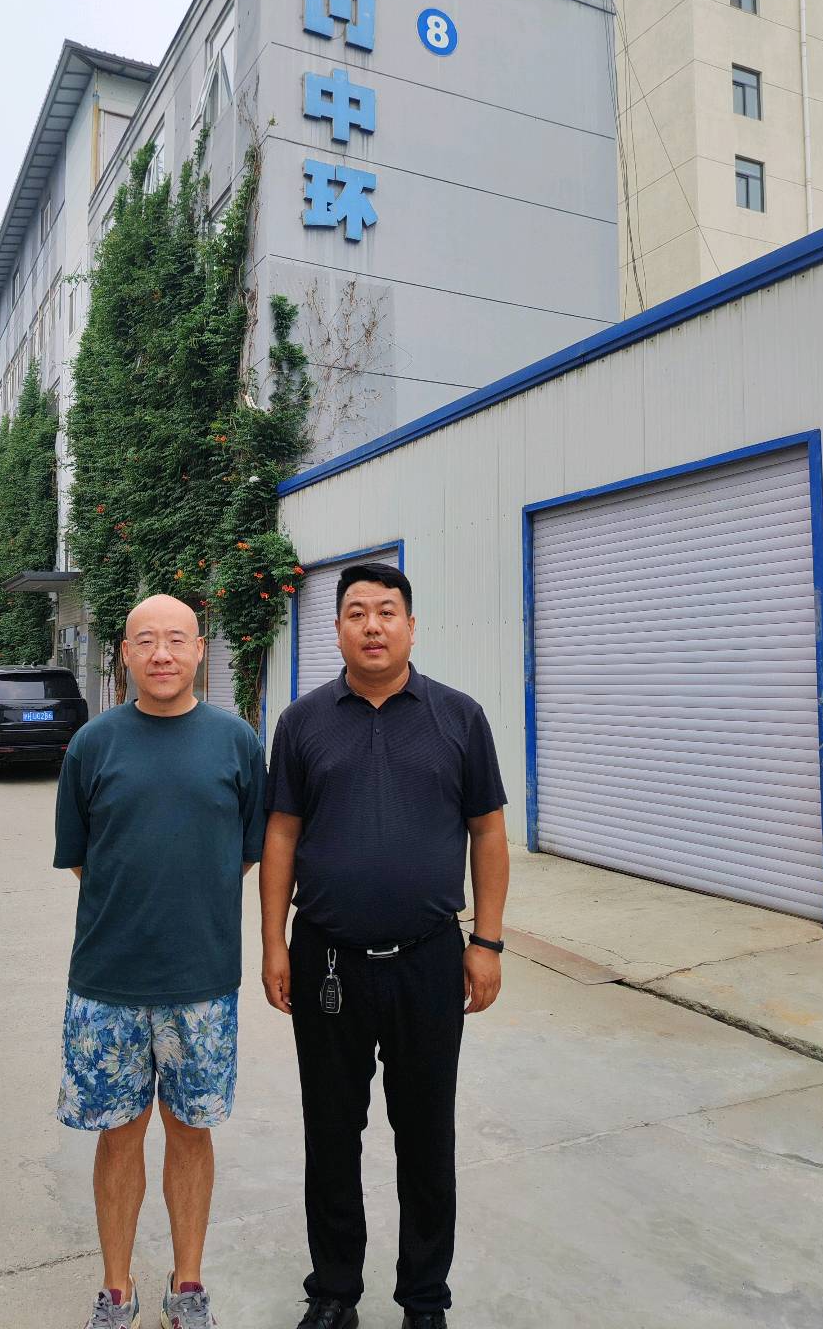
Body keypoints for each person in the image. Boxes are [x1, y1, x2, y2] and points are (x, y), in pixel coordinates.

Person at [261, 563, 509, 1329]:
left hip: (429, 961)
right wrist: (273, 943)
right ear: (337, 629)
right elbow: (281, 835)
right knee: (332, 1133)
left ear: (411, 626)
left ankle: (424, 1301)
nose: (372, 626)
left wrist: (487, 941)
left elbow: (488, 832)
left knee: (427, 1137)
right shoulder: (303, 722)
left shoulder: (459, 717)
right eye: (357, 613)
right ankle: (334, 1292)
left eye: (386, 612)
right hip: (327, 961)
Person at [54, 594, 266, 1329]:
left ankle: (188, 1286)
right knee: (118, 1135)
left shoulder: (236, 743)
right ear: (124, 653)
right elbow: (81, 858)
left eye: (177, 639)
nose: (162, 653)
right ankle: (117, 1291)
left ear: (201, 650)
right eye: (145, 640)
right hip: (107, 981)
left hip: (201, 980)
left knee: (190, 1131)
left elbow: (244, 852)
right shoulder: (92, 745)